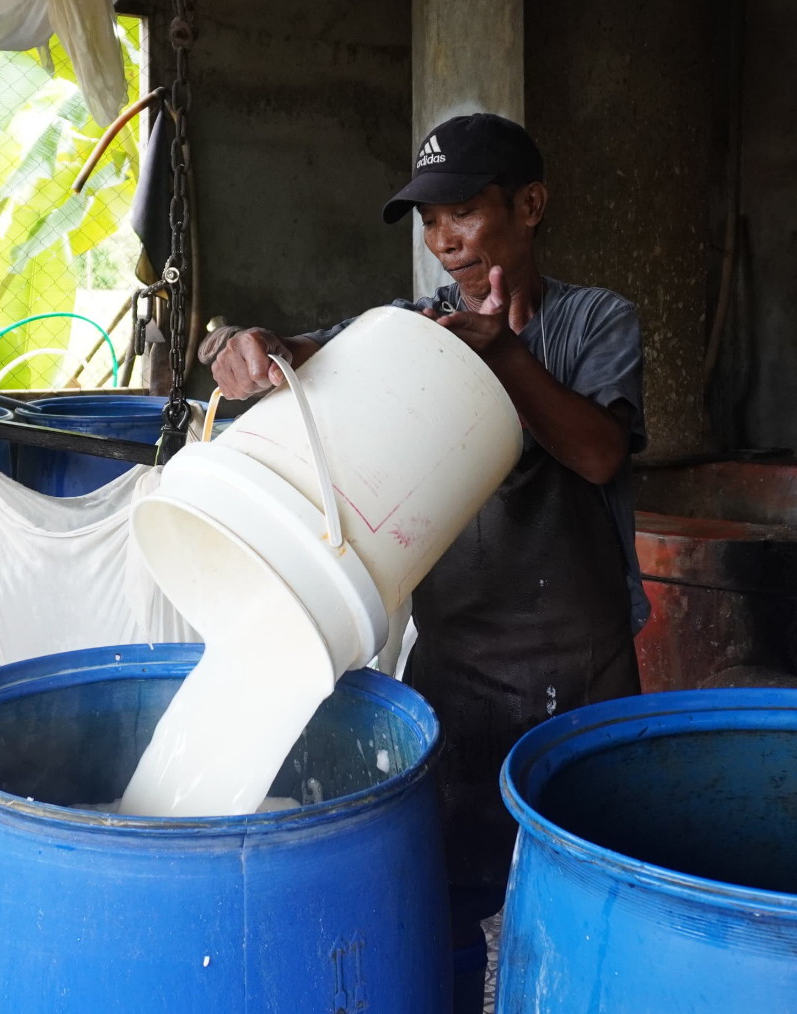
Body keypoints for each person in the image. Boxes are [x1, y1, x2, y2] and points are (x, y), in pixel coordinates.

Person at [202, 112, 647, 994]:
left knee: (578, 898)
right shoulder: (411, 327)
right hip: (458, 664)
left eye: (463, 214)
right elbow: (311, 354)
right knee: (439, 894)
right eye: (428, 222)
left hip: (580, 663)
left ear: (530, 205)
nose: (444, 241)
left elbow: (600, 453)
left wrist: (507, 360)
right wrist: (248, 349)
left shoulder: (597, 321)